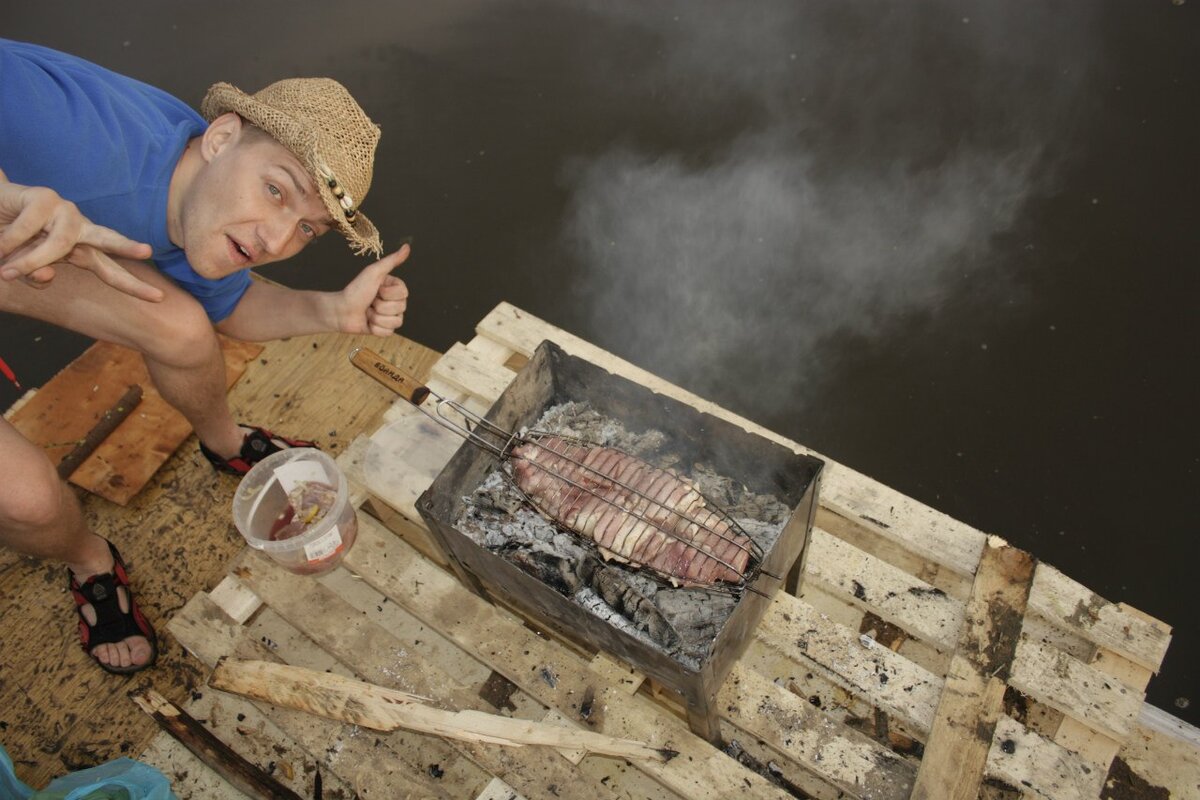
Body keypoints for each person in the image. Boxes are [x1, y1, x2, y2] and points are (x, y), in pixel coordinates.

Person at [0, 38, 410, 675]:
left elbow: (229, 309)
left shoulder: (205, 201)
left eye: (307, 228)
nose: (278, 240)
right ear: (220, 138)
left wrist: (332, 312)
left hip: (12, 249)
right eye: (277, 191)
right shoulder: (70, 131)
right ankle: (91, 561)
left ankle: (226, 445)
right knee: (27, 501)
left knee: (187, 331)